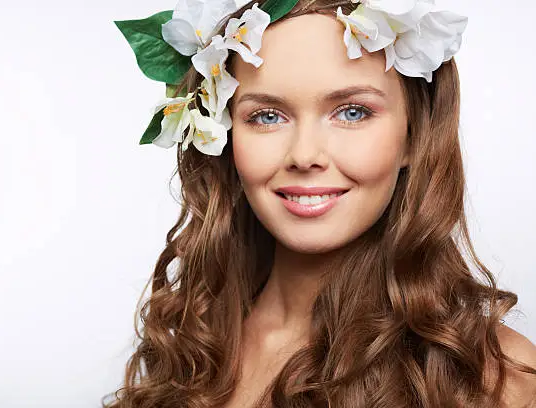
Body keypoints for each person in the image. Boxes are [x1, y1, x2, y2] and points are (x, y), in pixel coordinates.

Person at [106, 0, 536, 406]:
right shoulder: (191, 346)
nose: (305, 155)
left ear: (413, 134)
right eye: (267, 116)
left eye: (352, 112)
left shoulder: (495, 376)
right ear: (226, 136)